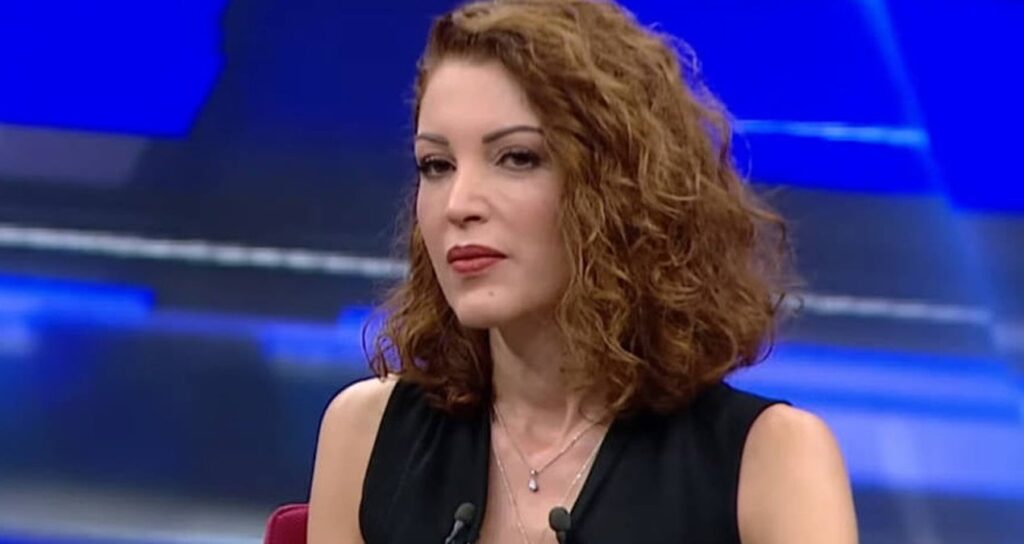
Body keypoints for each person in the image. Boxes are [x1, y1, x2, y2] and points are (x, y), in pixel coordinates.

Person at [308, 1, 858, 542]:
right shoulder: (364, 434)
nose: (458, 204)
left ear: (621, 188)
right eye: (437, 165)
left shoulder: (772, 461)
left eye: (517, 158)